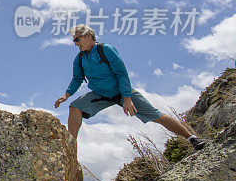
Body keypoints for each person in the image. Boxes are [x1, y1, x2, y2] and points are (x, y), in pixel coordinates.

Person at [54, 24, 207, 150]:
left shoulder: (106, 50)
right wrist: (67, 95)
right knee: (75, 107)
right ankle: (71, 146)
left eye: (77, 39)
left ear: (88, 36)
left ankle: (192, 138)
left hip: (122, 91)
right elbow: (77, 78)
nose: (75, 43)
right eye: (74, 40)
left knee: (157, 116)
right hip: (100, 94)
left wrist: (126, 97)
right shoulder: (80, 58)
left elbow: (121, 73)